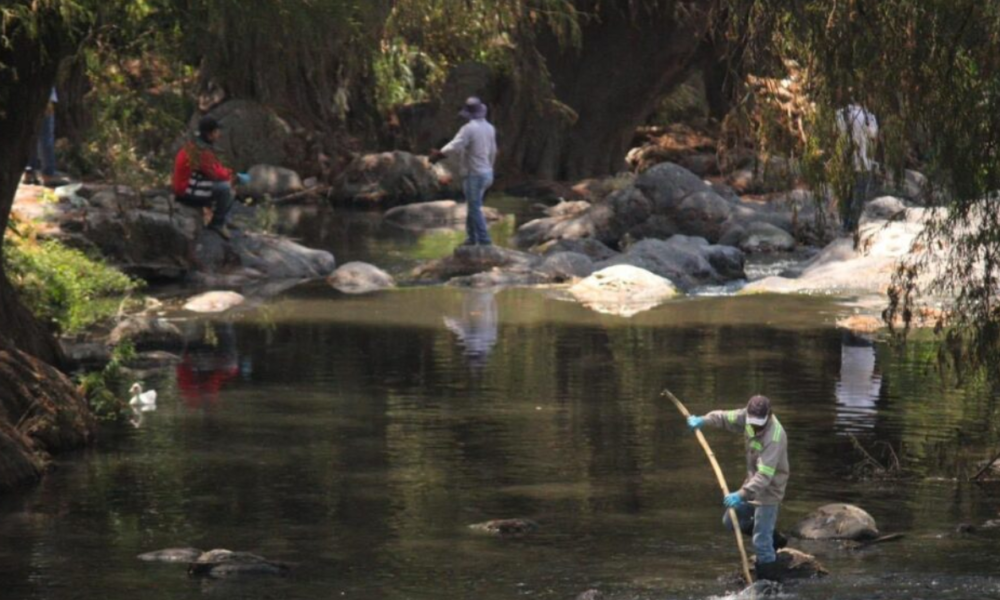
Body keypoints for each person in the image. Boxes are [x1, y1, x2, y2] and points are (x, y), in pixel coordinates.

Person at [687, 395, 790, 581]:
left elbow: (765, 476)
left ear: (769, 415)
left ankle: (770, 586)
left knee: (760, 542)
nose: (754, 427)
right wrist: (704, 419)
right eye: (752, 423)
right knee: (730, 519)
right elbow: (725, 418)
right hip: (751, 484)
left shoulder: (775, 437)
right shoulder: (747, 416)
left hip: (769, 490)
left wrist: (741, 494)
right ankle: (775, 539)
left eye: (759, 424)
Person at [429, 96, 497, 246]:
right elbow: (493, 151)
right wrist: (490, 168)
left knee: (474, 208)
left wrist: (438, 154)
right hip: (487, 174)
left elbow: (455, 145)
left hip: (474, 175)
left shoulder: (468, 128)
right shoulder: (490, 128)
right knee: (473, 205)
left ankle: (484, 241)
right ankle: (472, 238)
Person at [172, 116, 249, 239]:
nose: (219, 134)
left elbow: (215, 168)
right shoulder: (201, 151)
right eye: (217, 131)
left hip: (188, 184)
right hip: (186, 189)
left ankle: (220, 218)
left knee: (225, 185)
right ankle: (217, 223)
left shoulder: (197, 145)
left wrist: (229, 174)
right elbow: (216, 174)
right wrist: (236, 177)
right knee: (227, 189)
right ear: (210, 134)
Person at [835, 103, 879, 232]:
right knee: (859, 195)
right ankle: (852, 225)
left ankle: (845, 223)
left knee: (846, 195)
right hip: (863, 162)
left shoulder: (840, 114)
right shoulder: (868, 116)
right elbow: (873, 133)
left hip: (845, 162)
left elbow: (837, 132)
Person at [25, 87, 60, 187]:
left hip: (25, 98)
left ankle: (29, 172)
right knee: (45, 136)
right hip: (43, 97)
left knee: (29, 135)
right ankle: (48, 176)